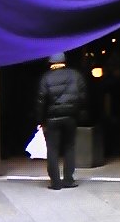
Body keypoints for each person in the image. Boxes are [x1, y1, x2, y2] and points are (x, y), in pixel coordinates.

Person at [35, 52, 86, 190]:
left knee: (52, 150)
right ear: (64, 61)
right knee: (69, 147)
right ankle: (68, 180)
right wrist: (79, 114)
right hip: (71, 117)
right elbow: (82, 97)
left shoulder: (46, 78)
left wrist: (40, 120)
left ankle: (56, 183)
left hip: (52, 119)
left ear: (51, 62)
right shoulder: (76, 75)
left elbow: (41, 101)